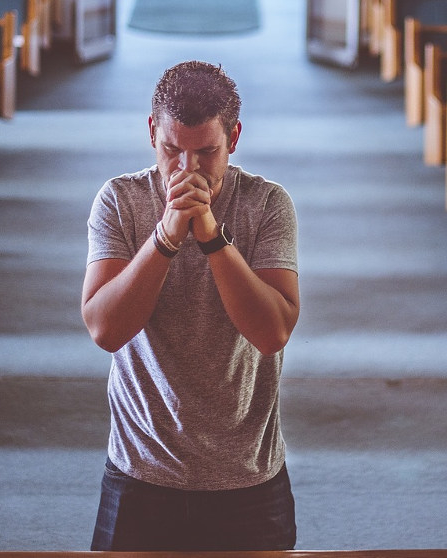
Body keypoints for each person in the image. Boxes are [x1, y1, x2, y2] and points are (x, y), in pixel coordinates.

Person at [81, 60, 300, 551]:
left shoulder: (267, 204)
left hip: (247, 477)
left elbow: (272, 333)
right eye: (172, 151)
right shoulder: (119, 201)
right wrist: (164, 237)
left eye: (207, 153)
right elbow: (105, 330)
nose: (187, 170)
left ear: (235, 138)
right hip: (140, 471)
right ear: (151, 132)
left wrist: (212, 238)